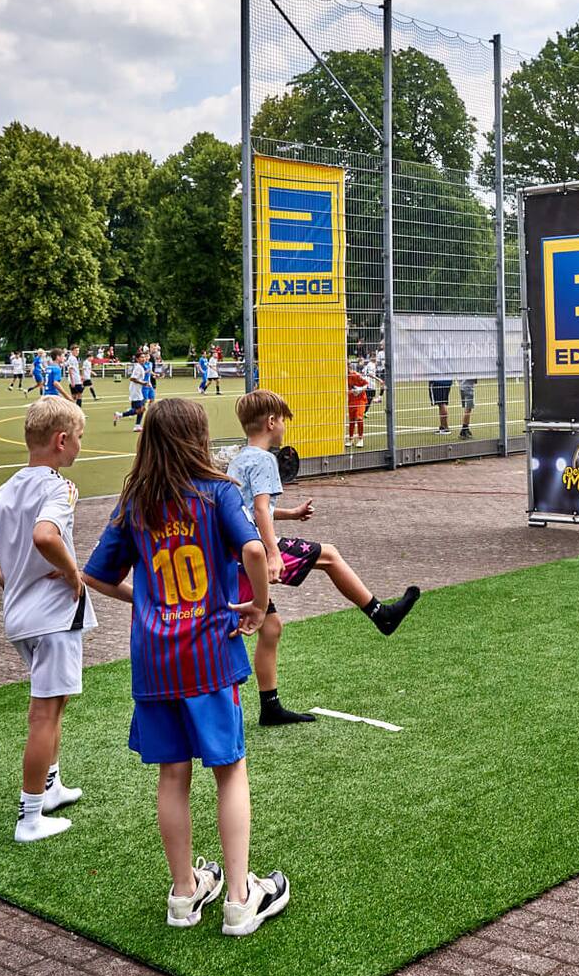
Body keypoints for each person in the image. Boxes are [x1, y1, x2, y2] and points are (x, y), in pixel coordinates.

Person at [81, 396, 290, 936]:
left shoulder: (135, 502)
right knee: (229, 769)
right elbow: (250, 552)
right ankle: (241, 899)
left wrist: (145, 601)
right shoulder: (217, 493)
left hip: (154, 658)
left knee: (172, 775)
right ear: (198, 438)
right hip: (208, 655)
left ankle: (183, 894)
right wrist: (260, 606)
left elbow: (97, 576)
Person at [228, 388, 418, 727]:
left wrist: (290, 513)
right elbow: (259, 511)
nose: (284, 426)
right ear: (272, 422)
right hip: (254, 550)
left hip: (235, 552)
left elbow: (251, 509)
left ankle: (270, 706)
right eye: (283, 420)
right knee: (329, 555)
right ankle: (380, 614)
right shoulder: (266, 460)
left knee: (270, 627)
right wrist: (273, 554)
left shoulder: (241, 458)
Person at [0, 396, 94, 843]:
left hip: (22, 618)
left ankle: (50, 787)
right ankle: (30, 816)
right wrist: (73, 571)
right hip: (53, 616)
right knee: (44, 713)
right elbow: (45, 535)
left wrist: (11, 582)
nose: (80, 446)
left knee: (55, 705)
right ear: (61, 441)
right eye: (78, 438)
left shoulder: (6, 489)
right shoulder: (59, 487)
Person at [115, 350, 149, 430]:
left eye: (144, 357)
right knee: (141, 409)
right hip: (135, 391)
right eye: (141, 357)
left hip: (137, 390)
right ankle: (120, 415)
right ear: (137, 359)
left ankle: (137, 425)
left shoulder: (141, 367)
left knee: (141, 409)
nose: (143, 359)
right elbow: (132, 378)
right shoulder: (138, 367)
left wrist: (145, 382)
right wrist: (143, 383)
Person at [347, 360, 371, 449]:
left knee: (359, 418)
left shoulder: (356, 375)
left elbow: (366, 384)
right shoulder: (344, 377)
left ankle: (360, 439)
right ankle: (350, 439)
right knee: (351, 420)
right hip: (351, 400)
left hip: (360, 400)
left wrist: (359, 389)